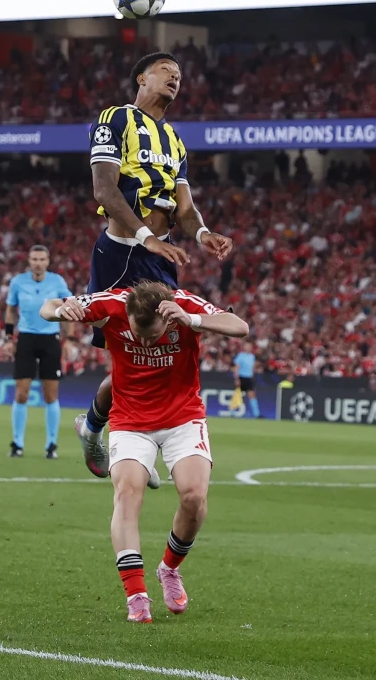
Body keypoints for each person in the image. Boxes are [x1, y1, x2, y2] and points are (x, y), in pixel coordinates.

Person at [43, 282, 249, 623]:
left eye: (153, 336)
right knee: (127, 493)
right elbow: (47, 306)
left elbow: (239, 326)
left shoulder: (182, 305)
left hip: (183, 417)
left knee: (194, 497)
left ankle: (169, 569)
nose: (145, 342)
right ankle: (136, 594)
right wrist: (60, 310)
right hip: (130, 419)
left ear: (167, 320)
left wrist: (192, 320)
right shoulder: (111, 305)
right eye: (139, 334)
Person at [75, 51, 233, 483]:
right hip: (121, 252)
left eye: (179, 75)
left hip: (160, 254)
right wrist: (146, 238)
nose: (175, 78)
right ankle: (95, 429)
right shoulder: (115, 120)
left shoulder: (176, 142)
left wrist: (202, 234)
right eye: (166, 71)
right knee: (127, 358)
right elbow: (104, 188)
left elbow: (186, 208)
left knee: (160, 350)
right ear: (142, 77)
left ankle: (133, 438)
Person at [4, 244, 73, 459]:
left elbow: (69, 305)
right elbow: (10, 309)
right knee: (21, 392)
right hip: (25, 338)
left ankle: (51, 444)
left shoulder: (57, 282)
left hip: (50, 339)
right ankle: (17, 443)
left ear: (48, 261)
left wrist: (68, 339)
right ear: (29, 261)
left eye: (42, 259)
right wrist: (8, 338)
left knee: (50, 394)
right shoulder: (18, 282)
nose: (38, 263)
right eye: (34, 259)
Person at [233, 342, 261, 419]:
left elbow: (252, 368)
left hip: (249, 378)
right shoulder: (241, 356)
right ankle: (232, 412)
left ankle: (257, 414)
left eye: (249, 346)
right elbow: (237, 368)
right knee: (238, 395)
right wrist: (237, 379)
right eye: (246, 346)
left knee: (252, 395)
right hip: (242, 377)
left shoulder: (252, 357)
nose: (248, 348)